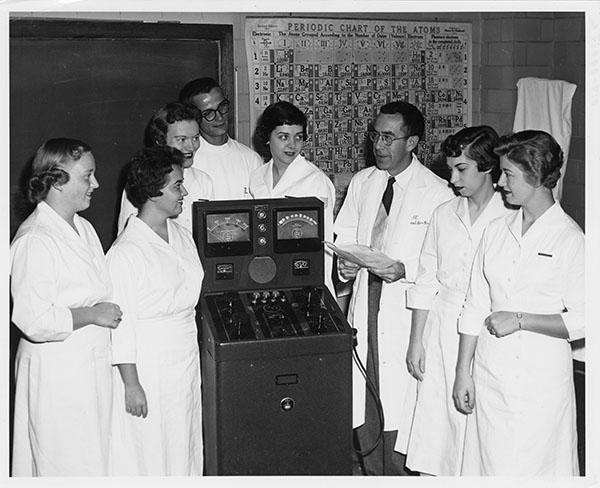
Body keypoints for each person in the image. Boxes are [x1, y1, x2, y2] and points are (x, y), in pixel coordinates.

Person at [452, 130, 584, 475]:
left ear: (536, 175)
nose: (498, 183)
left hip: (540, 384)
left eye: (507, 173)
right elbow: (475, 304)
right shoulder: (496, 230)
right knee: (488, 466)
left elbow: (585, 319)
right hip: (489, 373)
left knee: (533, 468)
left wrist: (521, 319)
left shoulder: (569, 238)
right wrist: (462, 373)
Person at [334, 101, 453, 475]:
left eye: (389, 137)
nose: (379, 145)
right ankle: (371, 473)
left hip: (406, 309)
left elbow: (443, 264)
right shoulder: (363, 182)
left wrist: (403, 268)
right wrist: (346, 263)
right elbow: (347, 235)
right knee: (366, 399)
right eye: (375, 135)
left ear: (412, 141)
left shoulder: (438, 193)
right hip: (366, 302)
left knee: (403, 411)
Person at [403, 126, 514, 476]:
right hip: (443, 329)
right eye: (450, 168)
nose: (452, 178)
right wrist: (416, 340)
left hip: (491, 333)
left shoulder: (511, 216)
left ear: (488, 167)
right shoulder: (443, 214)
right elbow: (426, 280)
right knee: (439, 435)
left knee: (483, 432)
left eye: (461, 169)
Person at [10, 138, 122, 476]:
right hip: (58, 375)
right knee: (62, 464)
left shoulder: (82, 227)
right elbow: (33, 319)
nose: (97, 184)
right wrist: (92, 314)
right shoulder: (35, 239)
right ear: (57, 180)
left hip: (88, 370)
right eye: (87, 176)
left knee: (92, 462)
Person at [107, 145, 204, 475]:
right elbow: (122, 324)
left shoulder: (181, 234)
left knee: (185, 444)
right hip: (149, 368)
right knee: (151, 449)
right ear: (153, 191)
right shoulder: (125, 253)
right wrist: (131, 384)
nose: (184, 191)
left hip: (185, 361)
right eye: (177, 185)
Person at [250, 100, 337, 295]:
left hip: (303, 279)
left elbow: (324, 247)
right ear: (267, 137)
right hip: (263, 277)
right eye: (283, 137)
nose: (292, 145)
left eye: (298, 137)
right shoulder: (257, 177)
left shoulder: (315, 181)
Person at [117, 101, 214, 234]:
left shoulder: (204, 180)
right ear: (160, 141)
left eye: (195, 138)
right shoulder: (145, 181)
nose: (191, 147)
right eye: (182, 140)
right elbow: (127, 235)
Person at [179, 77, 262, 199]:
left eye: (222, 107)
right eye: (208, 113)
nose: (219, 117)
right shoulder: (186, 160)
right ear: (194, 117)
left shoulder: (251, 159)